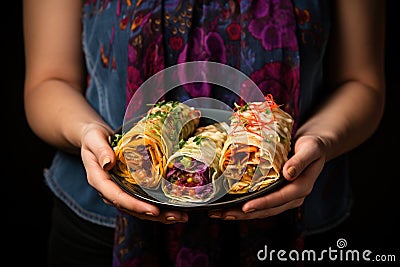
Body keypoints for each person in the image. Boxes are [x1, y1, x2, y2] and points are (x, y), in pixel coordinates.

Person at [22, 0, 385, 266]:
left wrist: (320, 140)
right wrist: (90, 133)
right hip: (98, 229)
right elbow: (47, 82)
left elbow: (361, 81)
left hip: (303, 228)